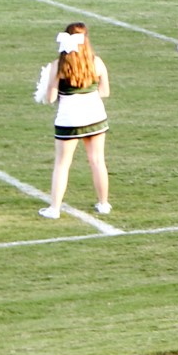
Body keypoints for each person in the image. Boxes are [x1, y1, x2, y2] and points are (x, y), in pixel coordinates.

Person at [36, 24, 113, 218]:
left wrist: (48, 85)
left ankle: (54, 208)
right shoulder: (97, 63)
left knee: (62, 163)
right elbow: (104, 92)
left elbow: (51, 97)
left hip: (69, 119)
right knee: (97, 161)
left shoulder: (58, 65)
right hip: (95, 116)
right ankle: (103, 204)